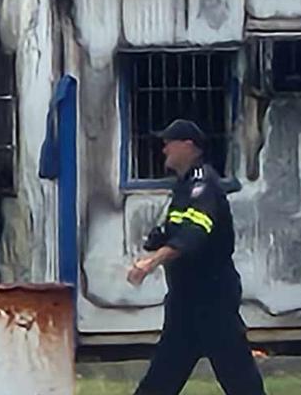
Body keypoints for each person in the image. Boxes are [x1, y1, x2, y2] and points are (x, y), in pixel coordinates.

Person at [127, 118, 266, 395]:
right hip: (185, 299)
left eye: (169, 143)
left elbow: (194, 234)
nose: (164, 149)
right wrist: (158, 240)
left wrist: (151, 262)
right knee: (163, 375)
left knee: (237, 375)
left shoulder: (204, 186)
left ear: (188, 146)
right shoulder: (184, 187)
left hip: (211, 299)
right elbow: (177, 228)